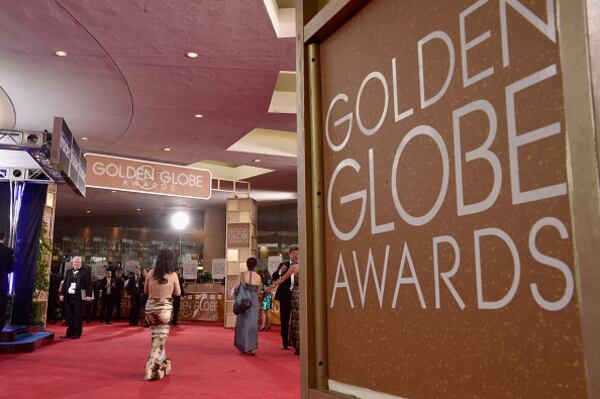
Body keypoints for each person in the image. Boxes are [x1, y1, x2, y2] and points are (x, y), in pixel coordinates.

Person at [144, 249, 181, 381]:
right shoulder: (173, 275)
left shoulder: (150, 273)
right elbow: (177, 293)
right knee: (160, 340)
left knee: (157, 338)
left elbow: (145, 290)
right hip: (164, 308)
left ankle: (164, 364)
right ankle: (152, 368)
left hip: (150, 308)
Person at [59, 256, 93, 339]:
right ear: (72, 263)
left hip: (80, 297)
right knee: (69, 316)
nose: (76, 263)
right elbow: (64, 284)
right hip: (68, 297)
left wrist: (89, 295)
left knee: (77, 316)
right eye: (74, 262)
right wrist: (61, 294)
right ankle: (69, 333)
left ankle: (77, 334)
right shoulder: (68, 271)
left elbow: (89, 284)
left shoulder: (86, 272)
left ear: (81, 263)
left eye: (77, 262)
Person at [234, 257, 262, 355]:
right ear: (255, 265)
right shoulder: (258, 277)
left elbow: (235, 287)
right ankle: (252, 347)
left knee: (242, 323)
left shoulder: (242, 275)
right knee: (252, 324)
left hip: (243, 300)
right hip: (253, 301)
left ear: (246, 264)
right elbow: (259, 291)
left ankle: (243, 346)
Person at [272, 245, 298, 349]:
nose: (296, 255)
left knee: (297, 320)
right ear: (290, 254)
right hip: (285, 296)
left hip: (298, 296)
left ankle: (296, 342)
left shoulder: (302, 265)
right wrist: (280, 272)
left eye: (298, 253)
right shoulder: (284, 265)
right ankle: (285, 342)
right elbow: (274, 276)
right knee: (284, 319)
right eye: (294, 253)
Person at [0, 232, 15, 331]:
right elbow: (12, 268)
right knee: (1, 305)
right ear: (3, 239)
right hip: (2, 282)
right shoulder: (8, 251)